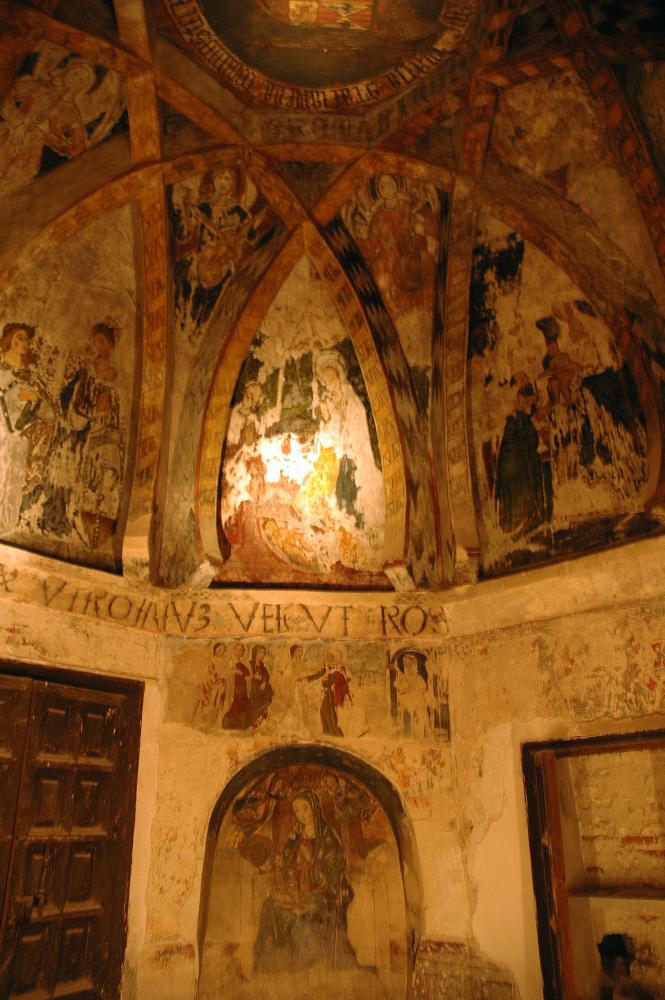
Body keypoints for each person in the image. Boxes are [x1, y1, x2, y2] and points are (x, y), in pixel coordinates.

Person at [253, 788, 357, 973]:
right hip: (295, 891)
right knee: (270, 907)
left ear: (315, 809)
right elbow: (284, 865)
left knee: (304, 910)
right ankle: (270, 967)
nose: (301, 814)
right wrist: (281, 864)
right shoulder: (295, 838)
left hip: (321, 893)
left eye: (305, 809)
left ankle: (303, 967)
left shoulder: (327, 837)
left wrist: (311, 861)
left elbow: (335, 871)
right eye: (297, 811)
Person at [0, 322, 56, 533]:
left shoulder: (31, 379)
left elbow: (50, 415)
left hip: (15, 445)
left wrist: (36, 400)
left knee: (8, 496)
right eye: (19, 337)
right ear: (9, 338)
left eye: (26, 339)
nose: (23, 342)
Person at [300, 647, 352, 737]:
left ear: (336, 658)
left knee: (331, 714)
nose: (329, 659)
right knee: (323, 712)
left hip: (333, 696)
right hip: (326, 694)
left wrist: (333, 685)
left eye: (332, 657)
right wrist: (306, 678)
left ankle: (334, 732)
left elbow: (344, 682)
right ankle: (326, 731)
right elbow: (317, 675)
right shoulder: (326, 668)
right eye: (328, 657)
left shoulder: (339, 671)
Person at [222, 643, 251, 730]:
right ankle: (227, 725)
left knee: (242, 706)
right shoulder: (230, 663)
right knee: (232, 706)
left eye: (241, 650)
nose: (239, 651)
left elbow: (248, 676)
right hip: (233, 688)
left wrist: (241, 673)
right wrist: (232, 673)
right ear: (233, 651)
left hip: (242, 688)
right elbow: (225, 675)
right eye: (237, 649)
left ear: (243, 652)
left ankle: (240, 726)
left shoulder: (245, 663)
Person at [247, 644, 273, 728]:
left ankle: (260, 721)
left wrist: (264, 681)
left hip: (263, 688)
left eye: (263, 653)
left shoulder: (263, 666)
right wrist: (254, 676)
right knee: (255, 704)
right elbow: (248, 675)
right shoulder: (250, 664)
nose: (262, 655)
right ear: (255, 653)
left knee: (266, 702)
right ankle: (253, 722)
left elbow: (266, 675)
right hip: (254, 687)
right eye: (260, 652)